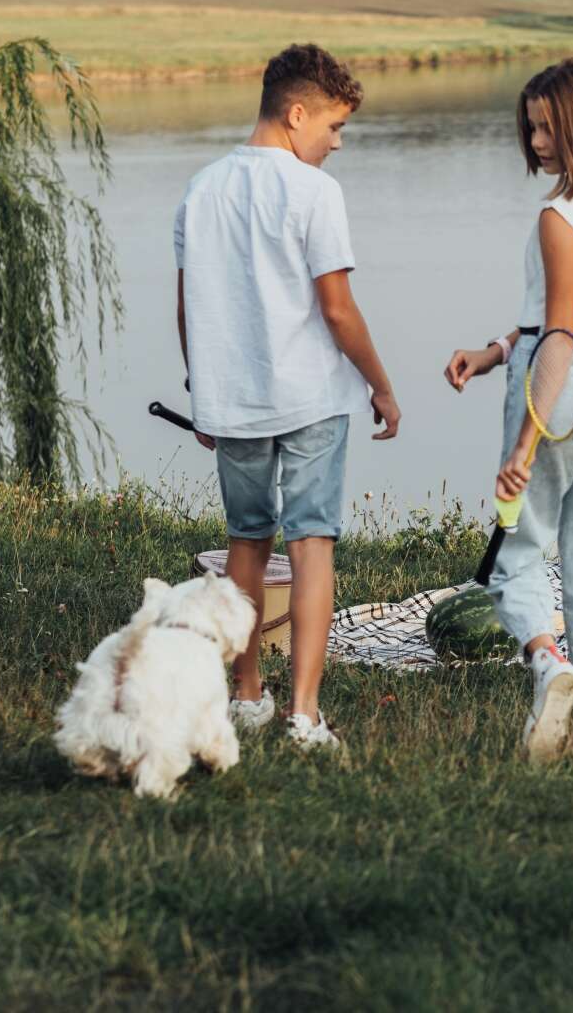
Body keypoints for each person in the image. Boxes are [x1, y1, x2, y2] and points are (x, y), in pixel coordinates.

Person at [175, 43, 401, 749]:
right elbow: (337, 309)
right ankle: (304, 714)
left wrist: (202, 389)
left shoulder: (202, 188)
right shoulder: (313, 193)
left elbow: (187, 309)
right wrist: (381, 384)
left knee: (245, 541)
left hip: (233, 399)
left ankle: (247, 695)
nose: (336, 144)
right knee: (310, 544)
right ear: (296, 113)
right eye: (333, 127)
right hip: (311, 399)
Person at [445, 58, 573, 761]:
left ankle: (546, 661)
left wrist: (526, 445)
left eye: (549, 128)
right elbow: (572, 316)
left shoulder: (559, 218)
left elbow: (559, 336)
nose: (535, 143)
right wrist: (496, 350)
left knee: (515, 555)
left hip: (563, 380)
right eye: (531, 128)